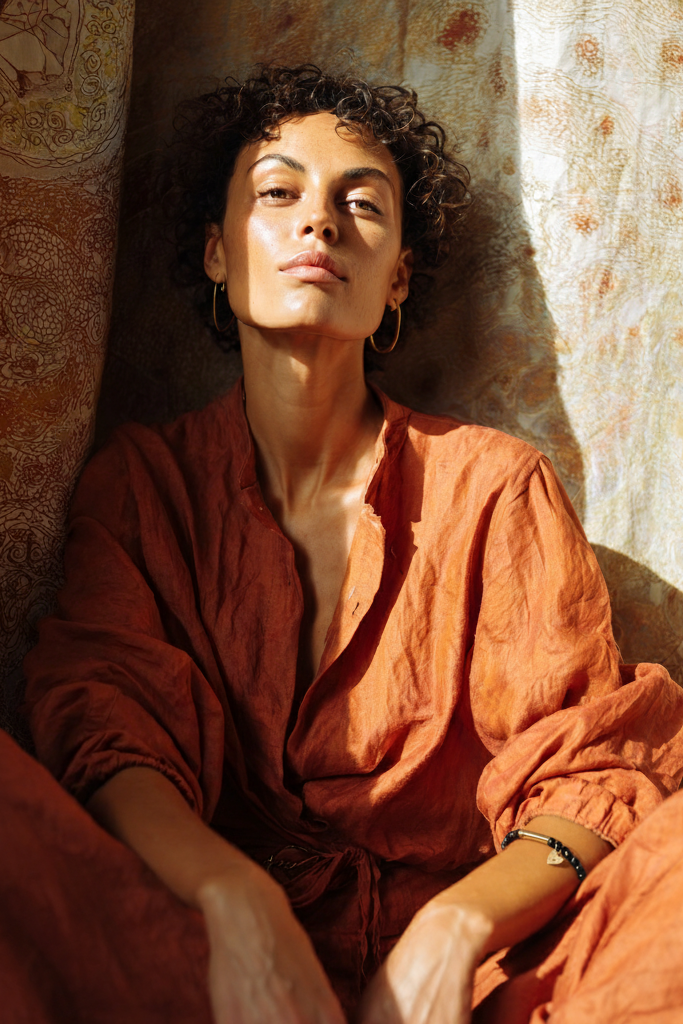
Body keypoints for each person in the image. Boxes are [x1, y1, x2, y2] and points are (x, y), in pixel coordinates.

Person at [9, 63, 683, 1024]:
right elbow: (107, 730)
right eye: (278, 193)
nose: (319, 223)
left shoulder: (493, 485)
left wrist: (451, 932)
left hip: (489, 985)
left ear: (397, 273)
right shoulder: (144, 486)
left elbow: (591, 771)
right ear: (217, 250)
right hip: (201, 968)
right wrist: (235, 903)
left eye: (360, 205)